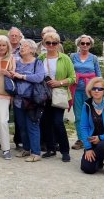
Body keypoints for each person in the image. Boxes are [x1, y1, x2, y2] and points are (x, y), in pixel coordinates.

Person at [39, 32, 75, 162]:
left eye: (54, 43)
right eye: (48, 43)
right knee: (45, 121)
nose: (51, 45)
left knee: (58, 122)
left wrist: (59, 82)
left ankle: (65, 150)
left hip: (59, 94)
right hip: (45, 94)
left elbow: (73, 77)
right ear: (44, 44)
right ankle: (51, 148)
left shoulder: (65, 58)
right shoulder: (41, 58)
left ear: (58, 44)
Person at [12, 39, 46, 162]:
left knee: (32, 125)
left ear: (32, 50)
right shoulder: (16, 62)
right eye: (21, 46)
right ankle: (26, 149)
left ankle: (36, 153)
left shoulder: (37, 63)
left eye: (25, 46)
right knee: (21, 126)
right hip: (18, 100)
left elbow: (39, 77)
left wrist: (22, 76)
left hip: (32, 101)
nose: (21, 48)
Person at [70, 34, 101, 151]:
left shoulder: (94, 58)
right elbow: (69, 71)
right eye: (82, 43)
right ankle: (81, 139)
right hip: (76, 90)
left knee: (91, 115)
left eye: (87, 43)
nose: (85, 45)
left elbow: (98, 75)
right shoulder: (72, 57)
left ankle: (91, 138)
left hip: (91, 92)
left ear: (90, 45)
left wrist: (100, 89)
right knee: (78, 116)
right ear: (78, 44)